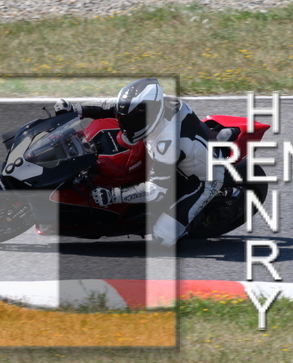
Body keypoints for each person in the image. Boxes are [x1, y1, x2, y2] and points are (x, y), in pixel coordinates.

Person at [54, 78, 224, 247]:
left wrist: (114, 196)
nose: (125, 125)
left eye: (132, 121)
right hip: (179, 155)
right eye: (125, 119)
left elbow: (156, 190)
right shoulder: (154, 105)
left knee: (163, 238)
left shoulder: (167, 141)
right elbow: (111, 106)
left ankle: (181, 225)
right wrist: (75, 109)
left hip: (202, 178)